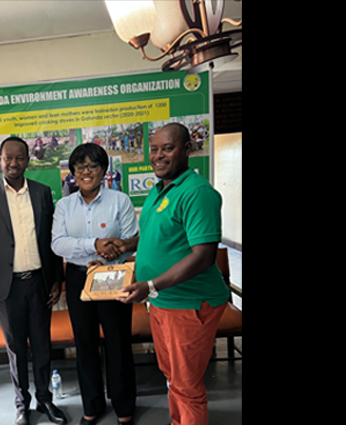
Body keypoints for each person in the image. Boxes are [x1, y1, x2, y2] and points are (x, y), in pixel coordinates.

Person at [116, 123, 230, 425]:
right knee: (172, 376)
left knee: (186, 384)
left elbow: (203, 257)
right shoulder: (159, 190)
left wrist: (151, 284)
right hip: (162, 301)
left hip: (189, 303)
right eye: (154, 149)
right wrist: (126, 246)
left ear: (187, 149)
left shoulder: (198, 193)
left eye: (168, 148)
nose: (159, 155)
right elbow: (157, 235)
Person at [0, 137, 69, 425]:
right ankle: (21, 404)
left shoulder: (41, 193)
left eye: (19, 158)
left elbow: (52, 240)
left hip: (39, 283)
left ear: (28, 160)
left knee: (41, 344)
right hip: (7, 287)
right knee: (15, 348)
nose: (13, 163)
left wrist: (56, 279)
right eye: (7, 158)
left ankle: (45, 401)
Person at [51, 143, 139, 425]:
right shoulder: (64, 206)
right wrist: (95, 245)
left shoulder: (120, 201)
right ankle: (92, 405)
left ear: (104, 171)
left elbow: (130, 239)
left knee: (118, 342)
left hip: (113, 276)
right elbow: (58, 244)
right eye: (80, 167)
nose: (86, 172)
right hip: (78, 278)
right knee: (85, 343)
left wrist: (109, 255)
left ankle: (124, 407)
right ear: (73, 173)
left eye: (93, 166)